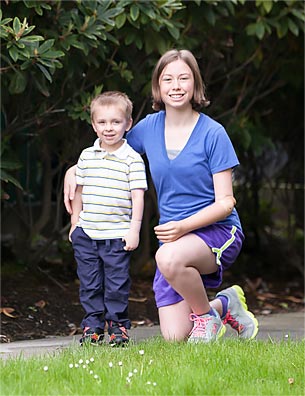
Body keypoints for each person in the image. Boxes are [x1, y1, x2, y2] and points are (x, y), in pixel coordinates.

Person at [65, 49, 258, 343]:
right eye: (168, 79)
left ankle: (206, 318)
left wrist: (183, 227)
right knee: (174, 336)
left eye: (184, 78)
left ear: (195, 84)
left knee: (167, 256)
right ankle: (223, 305)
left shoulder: (213, 133)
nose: (176, 86)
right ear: (158, 86)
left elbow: (225, 202)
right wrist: (74, 170)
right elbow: (110, 146)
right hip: (173, 237)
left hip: (218, 231)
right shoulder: (149, 128)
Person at [69, 91, 147, 347]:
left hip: (117, 235)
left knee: (116, 284)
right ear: (93, 124)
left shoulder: (132, 159)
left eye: (115, 122)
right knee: (90, 283)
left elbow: (137, 198)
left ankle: (117, 327)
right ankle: (92, 325)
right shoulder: (86, 156)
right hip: (88, 233)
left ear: (128, 124)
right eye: (102, 122)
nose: (109, 128)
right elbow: (78, 191)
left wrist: (134, 230)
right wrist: (75, 224)